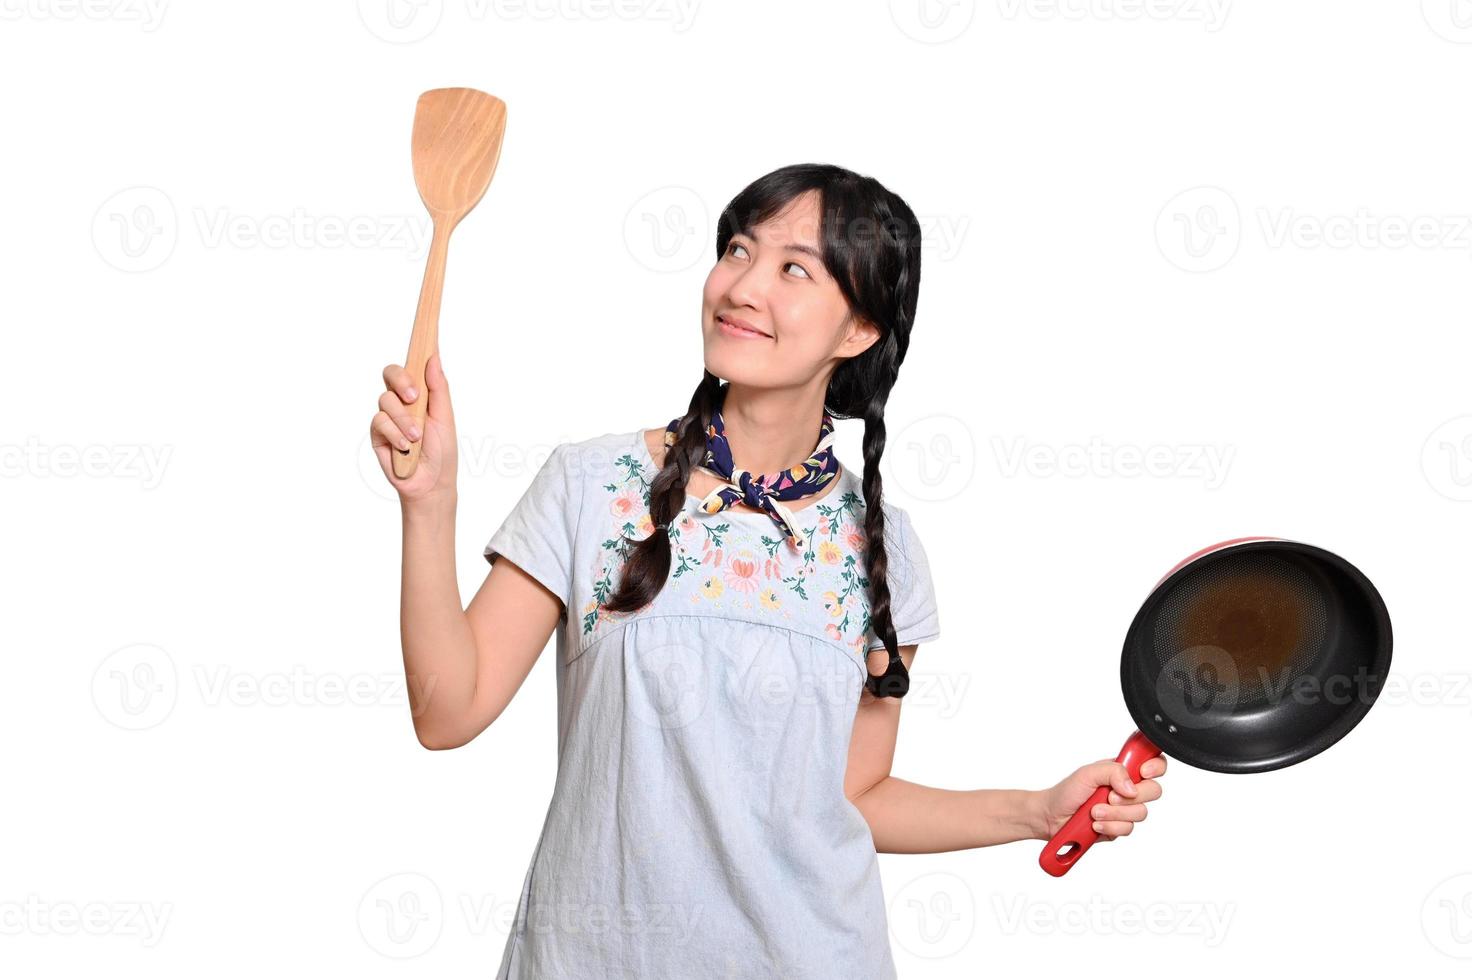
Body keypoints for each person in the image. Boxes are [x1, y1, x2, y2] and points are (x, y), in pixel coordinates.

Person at [371, 163, 1167, 978]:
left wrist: (1035, 811)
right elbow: (448, 711)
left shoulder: (881, 544)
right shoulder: (592, 486)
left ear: (857, 328)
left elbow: (854, 796)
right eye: (738, 250)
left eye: (794, 268)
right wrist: (429, 505)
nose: (742, 286)